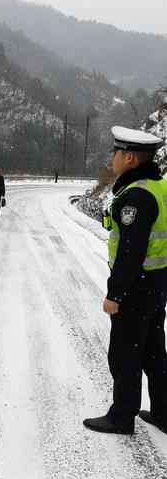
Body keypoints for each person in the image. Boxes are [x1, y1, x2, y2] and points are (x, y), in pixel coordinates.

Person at [83, 126, 167, 435]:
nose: (113, 158)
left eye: (116, 153)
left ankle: (122, 416)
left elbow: (131, 252)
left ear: (129, 158)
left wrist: (114, 295)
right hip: (157, 284)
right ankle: (163, 413)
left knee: (126, 352)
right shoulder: (160, 187)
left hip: (136, 287)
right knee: (154, 351)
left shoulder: (137, 195)